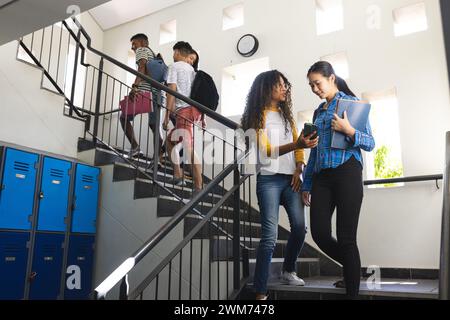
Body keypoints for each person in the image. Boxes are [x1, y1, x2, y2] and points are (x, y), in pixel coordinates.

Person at [240, 70, 319, 300]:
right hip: (269, 180)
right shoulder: (256, 118)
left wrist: (299, 169)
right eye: (281, 85)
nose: (285, 89)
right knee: (269, 237)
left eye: (286, 85)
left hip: (291, 178)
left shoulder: (288, 117)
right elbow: (266, 152)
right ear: (267, 88)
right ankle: (260, 292)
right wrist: (296, 145)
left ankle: (288, 270)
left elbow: (300, 149)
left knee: (299, 228)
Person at [301, 61, 375, 299]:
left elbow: (370, 143)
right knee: (320, 233)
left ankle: (352, 289)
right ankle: (354, 268)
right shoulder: (318, 112)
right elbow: (313, 151)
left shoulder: (353, 104)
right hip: (322, 177)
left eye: (318, 83)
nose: (315, 88)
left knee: (346, 238)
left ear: (331, 78)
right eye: (311, 85)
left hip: (347, 173)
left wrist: (349, 130)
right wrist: (307, 184)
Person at [163, 41, 203, 193]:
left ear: (178, 52)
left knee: (188, 147)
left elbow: (171, 90)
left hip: (183, 111)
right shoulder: (192, 70)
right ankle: (178, 173)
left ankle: (199, 186)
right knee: (169, 142)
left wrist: (167, 115)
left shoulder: (174, 66)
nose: (173, 56)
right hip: (191, 111)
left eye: (174, 53)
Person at [120, 33, 155, 156]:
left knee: (123, 117)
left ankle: (135, 148)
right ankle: (159, 157)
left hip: (142, 92)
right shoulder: (153, 54)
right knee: (154, 126)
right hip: (153, 94)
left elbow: (142, 67)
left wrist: (134, 87)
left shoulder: (142, 50)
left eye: (134, 43)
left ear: (143, 42)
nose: (133, 47)